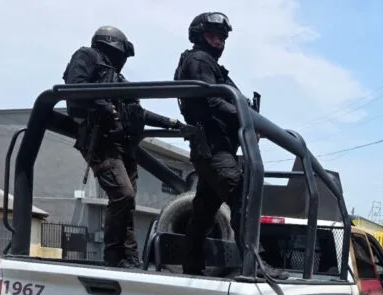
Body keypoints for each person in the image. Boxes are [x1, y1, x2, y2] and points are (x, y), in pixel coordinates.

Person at [174, 12, 286, 278]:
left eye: (223, 37)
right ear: (200, 35)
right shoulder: (199, 60)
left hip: (215, 147)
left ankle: (191, 265)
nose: (219, 41)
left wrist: (248, 115)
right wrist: (246, 117)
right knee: (242, 194)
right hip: (212, 147)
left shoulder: (210, 65)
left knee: (203, 211)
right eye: (213, 35)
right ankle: (255, 263)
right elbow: (211, 101)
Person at [63, 26, 180, 268]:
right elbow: (75, 86)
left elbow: (137, 112)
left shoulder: (117, 79)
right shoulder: (87, 56)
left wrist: (171, 124)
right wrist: (103, 105)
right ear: (113, 46)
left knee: (127, 204)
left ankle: (129, 258)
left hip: (124, 146)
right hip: (101, 141)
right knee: (123, 196)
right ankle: (115, 255)